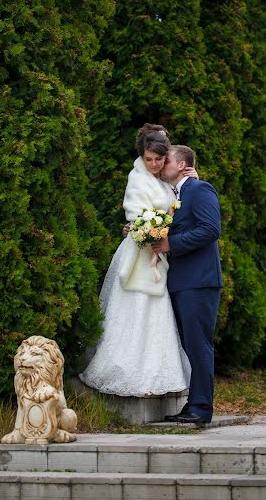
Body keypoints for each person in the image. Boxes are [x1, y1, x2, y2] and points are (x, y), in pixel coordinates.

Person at [79, 125, 193, 396]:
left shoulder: (164, 180)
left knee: (156, 312)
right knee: (135, 307)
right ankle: (125, 370)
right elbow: (134, 212)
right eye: (148, 159)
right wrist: (146, 227)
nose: (153, 164)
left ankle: (156, 374)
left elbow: (179, 204)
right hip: (139, 251)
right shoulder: (137, 178)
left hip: (157, 252)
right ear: (141, 157)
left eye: (158, 159)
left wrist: (192, 180)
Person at [152, 145, 223, 424]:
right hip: (182, 281)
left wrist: (171, 243)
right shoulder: (177, 195)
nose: (161, 164)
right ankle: (193, 404)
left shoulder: (199, 189)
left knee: (198, 345)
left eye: (166, 160)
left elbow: (210, 229)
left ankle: (202, 409)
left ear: (182, 165)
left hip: (199, 282)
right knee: (190, 345)